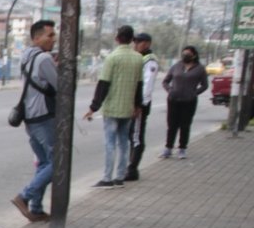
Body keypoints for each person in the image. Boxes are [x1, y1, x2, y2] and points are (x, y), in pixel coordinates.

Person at [83, 25, 143, 188]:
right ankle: (120, 176)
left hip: (112, 108)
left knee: (110, 143)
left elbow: (103, 84)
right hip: (128, 108)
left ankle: (107, 178)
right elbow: (139, 85)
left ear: (117, 38)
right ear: (132, 40)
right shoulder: (138, 59)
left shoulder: (112, 58)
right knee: (124, 142)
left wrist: (93, 108)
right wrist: (138, 105)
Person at [11, 20, 58, 223]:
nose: (53, 39)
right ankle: (24, 196)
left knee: (44, 163)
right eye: (50, 35)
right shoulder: (44, 59)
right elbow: (60, 85)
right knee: (57, 163)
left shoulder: (26, 57)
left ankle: (36, 209)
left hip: (29, 117)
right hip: (43, 116)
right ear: (36, 38)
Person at [160, 44, 209, 159]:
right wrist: (170, 90)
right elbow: (165, 81)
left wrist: (194, 93)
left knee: (185, 125)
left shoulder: (199, 69)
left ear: (194, 55)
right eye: (184, 54)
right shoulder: (176, 66)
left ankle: (182, 148)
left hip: (189, 101)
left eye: (188, 54)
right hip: (173, 99)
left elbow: (205, 85)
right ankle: (168, 148)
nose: (185, 56)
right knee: (172, 125)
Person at [125, 33, 159, 180]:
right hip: (135, 103)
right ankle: (130, 166)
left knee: (137, 137)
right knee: (132, 135)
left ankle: (132, 169)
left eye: (138, 42)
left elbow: (147, 86)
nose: (135, 45)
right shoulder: (141, 59)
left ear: (147, 43)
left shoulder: (150, 61)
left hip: (140, 105)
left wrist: (139, 106)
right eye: (135, 42)